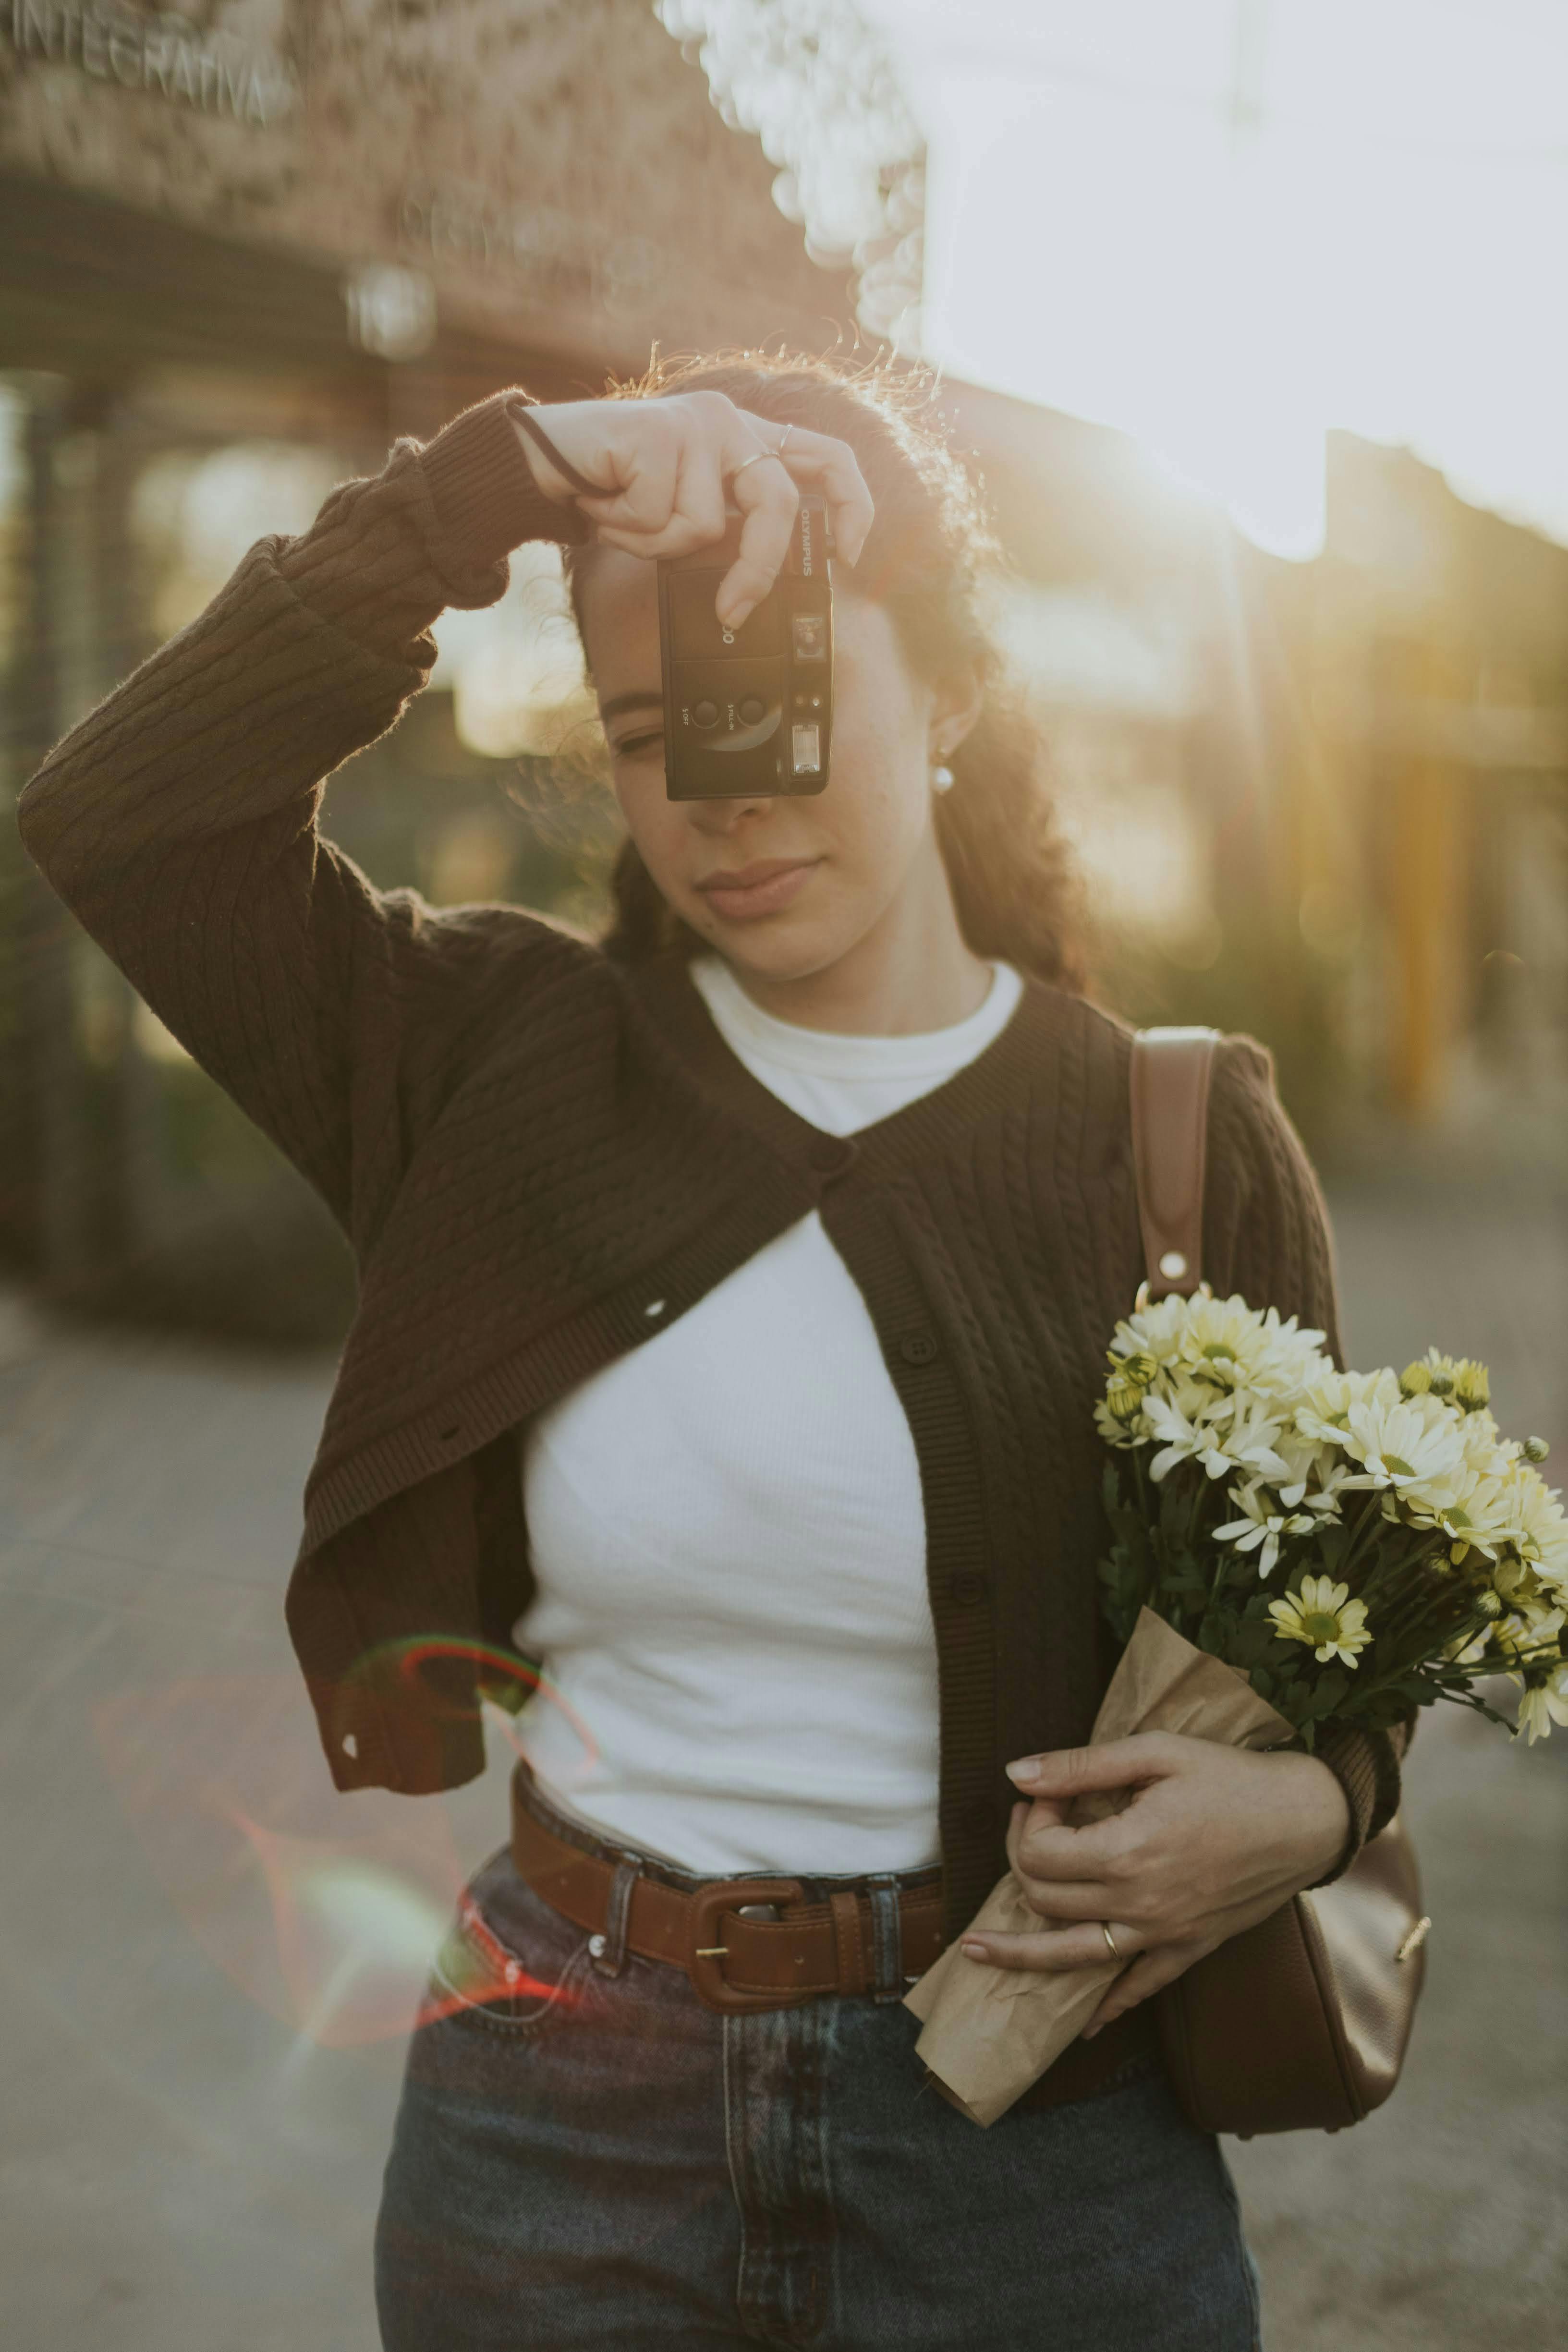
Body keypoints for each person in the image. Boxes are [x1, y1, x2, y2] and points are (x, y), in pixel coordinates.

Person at [18, 351, 1410, 2350]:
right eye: (659, 730)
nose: (725, 796)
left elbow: (1340, 1659)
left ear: (946, 696)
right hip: (558, 2127)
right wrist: (493, 481)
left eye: (792, 708)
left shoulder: (1173, 1144)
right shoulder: (492, 1062)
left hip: (1034, 2147)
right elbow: (121, 817)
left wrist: (1317, 1810)